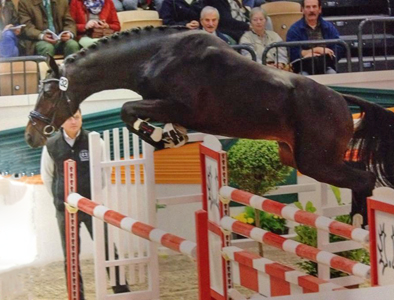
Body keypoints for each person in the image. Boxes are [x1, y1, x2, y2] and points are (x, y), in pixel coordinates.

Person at [40, 109, 130, 300]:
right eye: (69, 117)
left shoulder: (96, 141)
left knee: (108, 250)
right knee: (71, 257)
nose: (73, 121)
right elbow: (47, 176)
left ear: (82, 118)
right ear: (61, 121)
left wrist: (93, 199)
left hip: (93, 207)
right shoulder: (51, 144)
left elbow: (104, 175)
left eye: (77, 117)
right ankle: (77, 296)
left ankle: (122, 292)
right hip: (65, 209)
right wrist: (60, 199)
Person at [286, 0, 344, 75]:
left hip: (325, 66)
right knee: (304, 78)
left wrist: (327, 55)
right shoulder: (294, 29)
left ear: (319, 9)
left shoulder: (329, 27)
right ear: (302, 10)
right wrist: (316, 50)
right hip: (303, 68)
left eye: (314, 6)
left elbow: (339, 47)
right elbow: (292, 52)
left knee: (332, 74)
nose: (311, 10)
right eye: (308, 7)